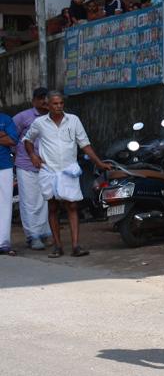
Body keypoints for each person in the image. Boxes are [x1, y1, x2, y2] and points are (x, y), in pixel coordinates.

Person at [23, 91, 108, 259]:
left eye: (61, 103)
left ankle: (76, 246)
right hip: (49, 170)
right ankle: (58, 246)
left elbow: (84, 144)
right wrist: (32, 155)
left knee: (72, 206)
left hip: (68, 170)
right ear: (48, 105)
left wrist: (98, 162)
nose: (59, 106)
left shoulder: (73, 120)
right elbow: (27, 140)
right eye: (55, 104)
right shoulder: (40, 123)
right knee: (53, 207)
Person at [13, 88, 52, 250]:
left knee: (44, 200)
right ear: (34, 100)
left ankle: (44, 234)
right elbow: (11, 137)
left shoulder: (53, 116)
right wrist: (18, 154)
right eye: (40, 98)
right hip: (26, 165)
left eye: (46, 98)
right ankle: (33, 236)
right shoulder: (23, 117)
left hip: (47, 166)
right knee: (29, 202)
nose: (44, 101)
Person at [0, 107, 18, 255]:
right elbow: (6, 139)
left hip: (4, 165)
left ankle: (3, 243)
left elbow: (12, 140)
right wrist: (2, 135)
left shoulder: (6, 119)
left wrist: (6, 137)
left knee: (5, 203)